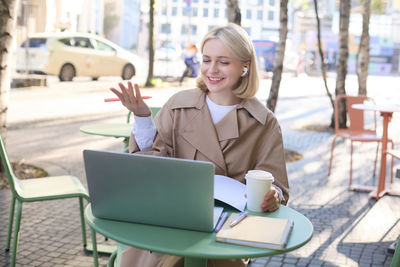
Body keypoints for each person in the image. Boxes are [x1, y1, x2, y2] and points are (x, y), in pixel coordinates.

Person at [110, 23, 289, 267]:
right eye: (206, 60)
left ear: (245, 66)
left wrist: (273, 196)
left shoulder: (263, 122)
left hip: (227, 235)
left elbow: (276, 184)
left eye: (223, 62)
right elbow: (151, 164)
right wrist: (142, 116)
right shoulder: (178, 105)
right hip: (172, 221)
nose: (212, 69)